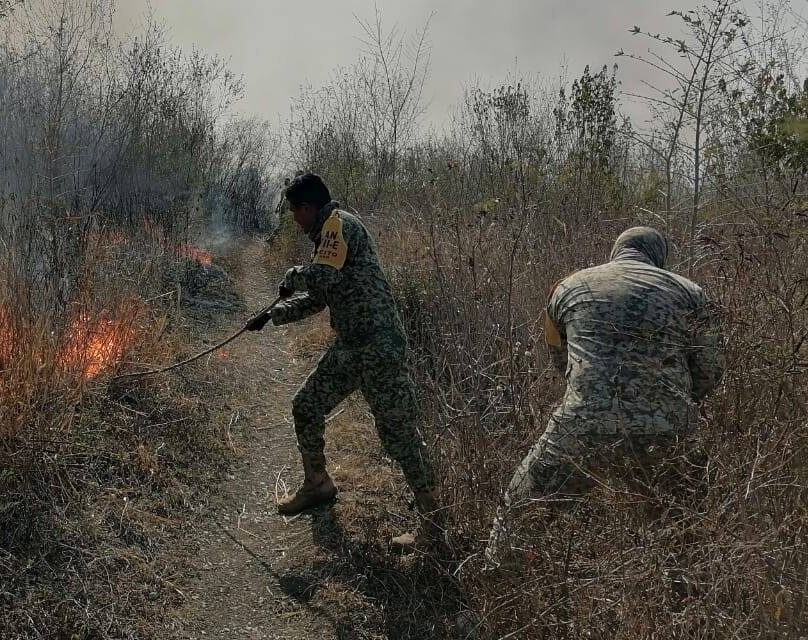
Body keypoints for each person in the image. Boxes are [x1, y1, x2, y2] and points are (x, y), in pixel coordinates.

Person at [484, 226, 725, 569]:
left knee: (521, 509)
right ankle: (686, 598)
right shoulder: (691, 293)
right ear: (659, 256)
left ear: (616, 250)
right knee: (686, 525)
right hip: (668, 428)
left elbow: (560, 358)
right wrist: (670, 403)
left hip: (582, 424)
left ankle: (499, 582)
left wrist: (593, 396)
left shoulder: (568, 287)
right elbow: (711, 368)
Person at [246, 172, 442, 546]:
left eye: (293, 212)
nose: (294, 219)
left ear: (308, 207)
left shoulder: (338, 225)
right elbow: (321, 297)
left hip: (379, 348)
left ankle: (432, 523)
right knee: (306, 405)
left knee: (398, 434)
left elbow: (317, 279)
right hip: (352, 348)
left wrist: (290, 276)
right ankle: (317, 484)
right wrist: (274, 315)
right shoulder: (326, 236)